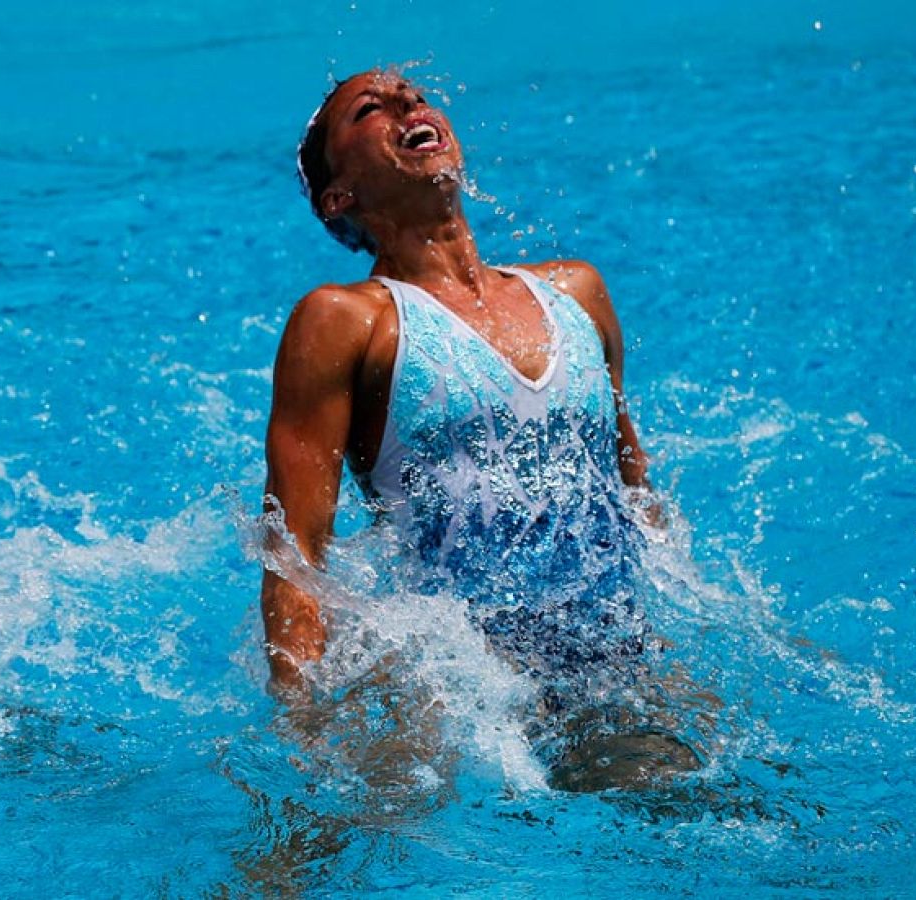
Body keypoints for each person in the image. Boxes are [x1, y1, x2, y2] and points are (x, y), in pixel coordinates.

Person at [259, 68, 698, 789]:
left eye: (415, 95)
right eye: (371, 109)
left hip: (624, 661)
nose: (408, 104)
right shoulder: (347, 321)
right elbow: (296, 553)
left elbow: (634, 486)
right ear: (341, 197)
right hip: (474, 690)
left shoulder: (576, 292)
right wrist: (300, 726)